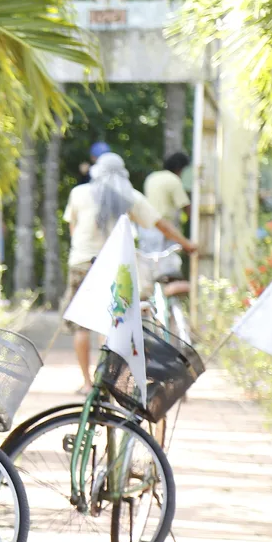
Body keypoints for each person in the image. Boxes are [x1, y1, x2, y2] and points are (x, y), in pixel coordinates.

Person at [63, 152, 197, 392]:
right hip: (113, 265)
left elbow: (73, 228)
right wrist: (186, 244)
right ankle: (108, 378)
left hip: (81, 261)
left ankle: (86, 382)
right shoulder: (129, 196)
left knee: (81, 326)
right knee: (111, 322)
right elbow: (161, 224)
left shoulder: (79, 193)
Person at [139, 151, 193, 298]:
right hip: (164, 230)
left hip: (146, 228)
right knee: (169, 274)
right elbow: (186, 208)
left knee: (152, 272)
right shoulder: (173, 180)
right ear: (180, 168)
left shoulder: (152, 178)